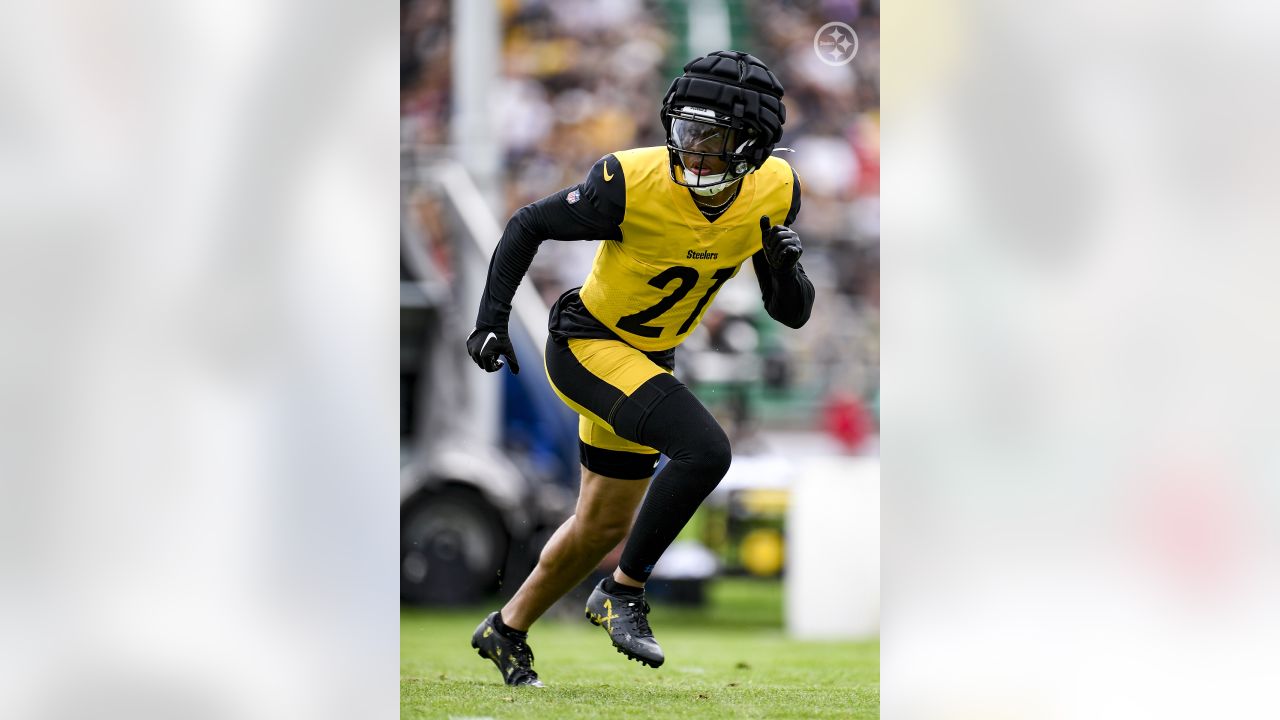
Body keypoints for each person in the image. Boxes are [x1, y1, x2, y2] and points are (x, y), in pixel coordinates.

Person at [465, 50, 814, 687]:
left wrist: (788, 269)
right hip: (588, 343)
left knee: (600, 524)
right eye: (688, 131)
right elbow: (527, 224)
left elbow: (788, 312)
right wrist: (491, 319)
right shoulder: (629, 181)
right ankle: (623, 593)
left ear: (756, 148)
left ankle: (506, 629)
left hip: (647, 356)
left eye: (716, 139)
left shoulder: (775, 191)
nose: (695, 151)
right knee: (705, 450)